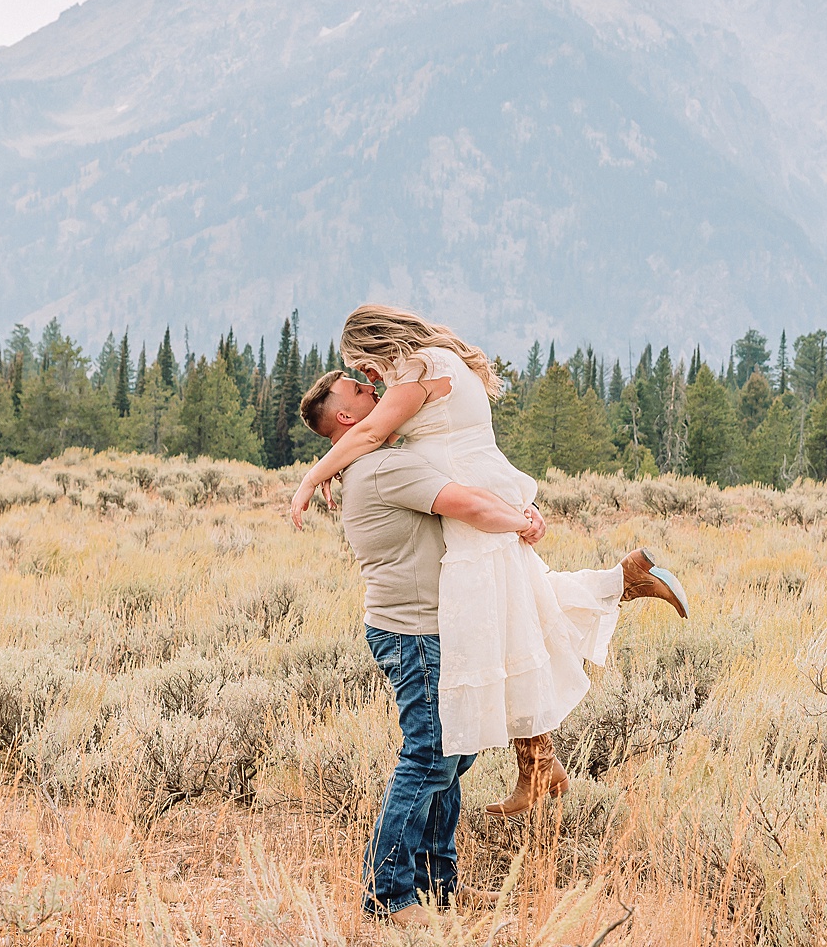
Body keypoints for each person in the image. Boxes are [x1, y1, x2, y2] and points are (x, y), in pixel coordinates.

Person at [292, 306, 689, 825]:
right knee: (514, 613)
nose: (372, 381)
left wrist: (311, 476)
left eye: (365, 368)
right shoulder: (437, 361)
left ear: (377, 345)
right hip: (480, 484)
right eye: (361, 380)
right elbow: (371, 437)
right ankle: (618, 588)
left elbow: (368, 436)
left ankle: (619, 588)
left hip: (471, 492)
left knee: (506, 621)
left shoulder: (415, 370)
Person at [294, 370, 547, 923]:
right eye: (362, 391)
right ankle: (389, 895)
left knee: (452, 749)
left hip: (421, 629)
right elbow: (470, 506)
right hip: (415, 634)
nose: (377, 391)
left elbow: (468, 488)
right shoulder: (386, 467)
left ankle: (437, 884)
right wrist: (522, 523)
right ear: (346, 418)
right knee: (433, 754)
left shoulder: (377, 464)